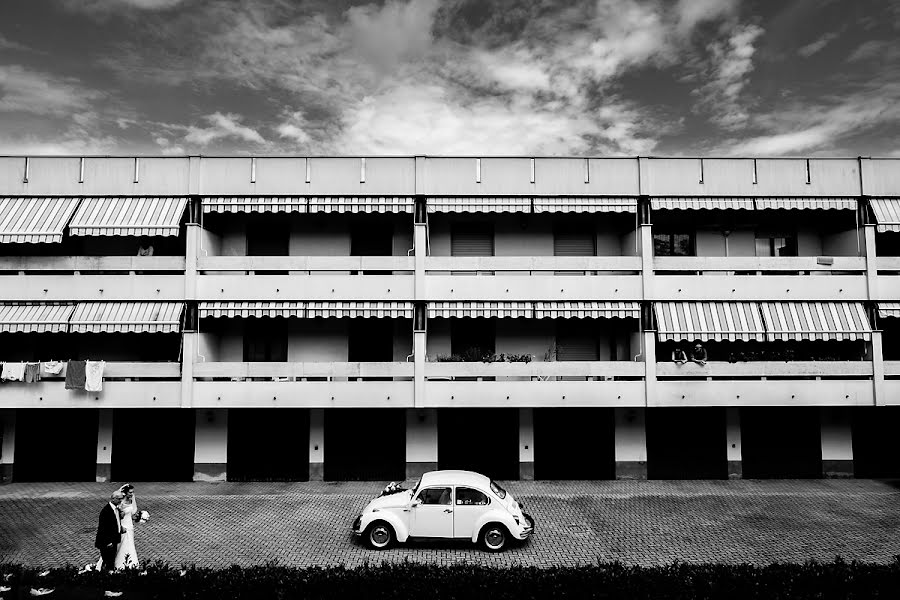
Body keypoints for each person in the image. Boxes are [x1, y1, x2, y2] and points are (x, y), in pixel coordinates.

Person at [94, 490, 124, 571]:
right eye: (119, 499)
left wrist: (120, 528)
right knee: (108, 562)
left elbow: (115, 522)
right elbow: (104, 528)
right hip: (106, 542)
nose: (121, 501)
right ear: (113, 499)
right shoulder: (106, 511)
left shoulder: (116, 509)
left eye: (122, 499)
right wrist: (108, 542)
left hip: (114, 540)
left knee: (111, 562)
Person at [115, 484, 139, 569]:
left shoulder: (131, 500)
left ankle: (132, 562)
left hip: (130, 525)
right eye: (130, 492)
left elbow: (132, 512)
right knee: (122, 544)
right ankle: (119, 563)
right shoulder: (121, 503)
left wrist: (138, 517)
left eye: (132, 492)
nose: (132, 494)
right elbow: (117, 516)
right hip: (123, 525)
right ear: (125, 493)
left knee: (130, 544)